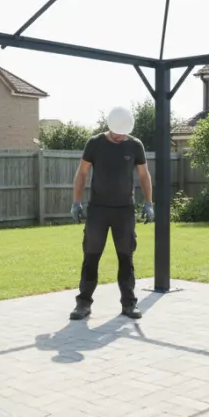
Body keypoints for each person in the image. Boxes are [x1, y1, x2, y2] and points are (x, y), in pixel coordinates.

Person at [69, 106, 155, 321]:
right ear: (109, 126)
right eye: (116, 133)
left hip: (124, 211)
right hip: (98, 210)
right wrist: (76, 202)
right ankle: (83, 304)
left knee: (126, 257)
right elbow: (82, 172)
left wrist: (149, 203)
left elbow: (144, 176)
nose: (119, 137)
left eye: (123, 133)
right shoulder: (95, 143)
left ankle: (129, 304)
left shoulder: (135, 146)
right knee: (91, 257)